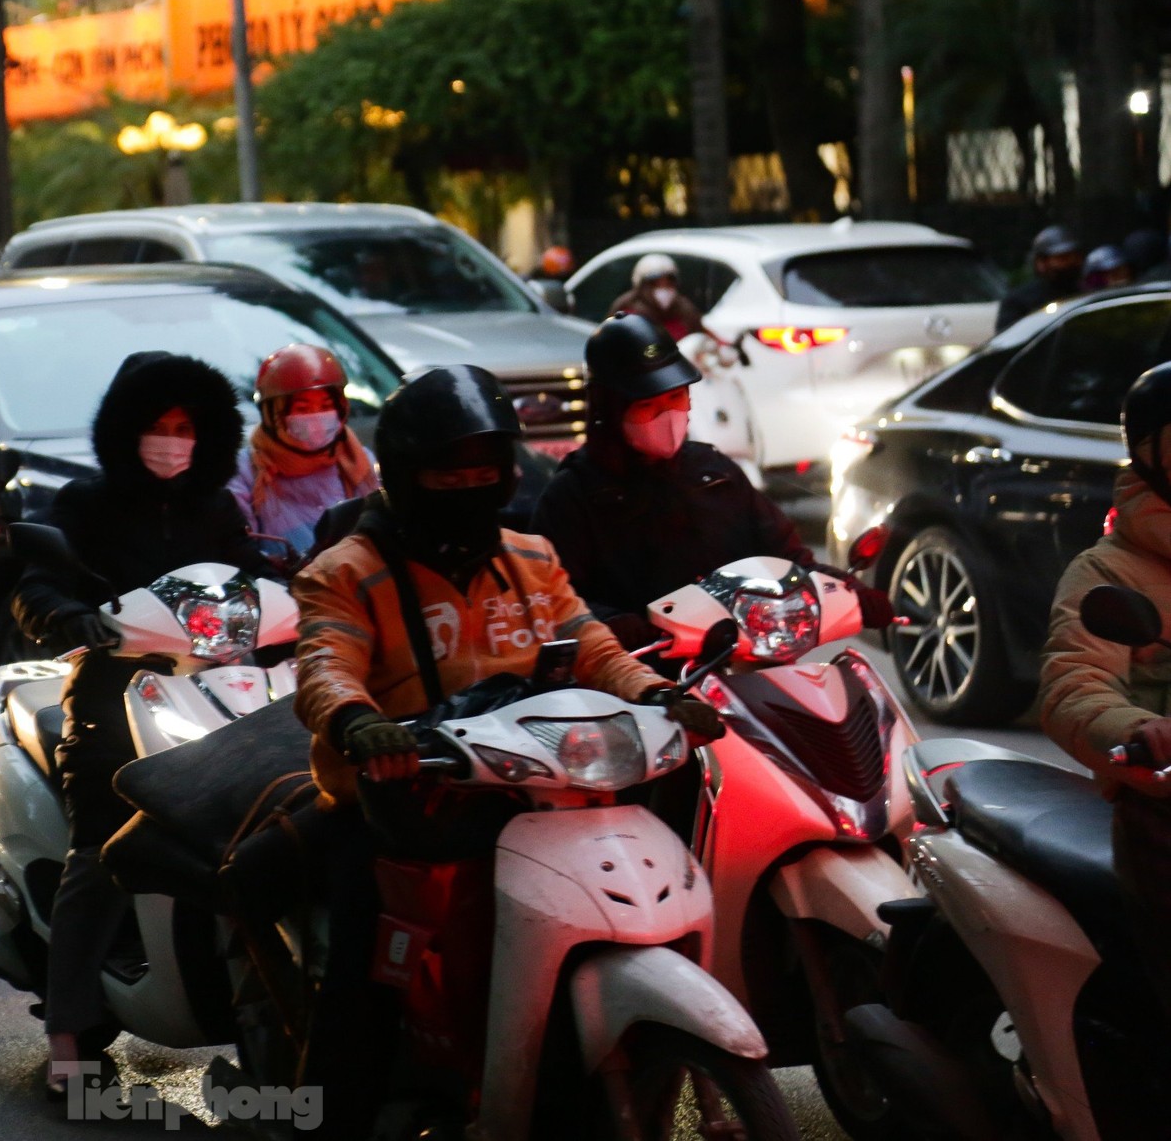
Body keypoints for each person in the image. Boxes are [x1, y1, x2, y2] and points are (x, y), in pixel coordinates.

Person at [289, 365, 719, 1136]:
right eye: (448, 474)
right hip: (403, 805)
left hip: (538, 791)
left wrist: (658, 694)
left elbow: (591, 644)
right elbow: (325, 666)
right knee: (362, 983)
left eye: (483, 472)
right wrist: (360, 723)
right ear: (408, 475)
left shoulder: (530, 556)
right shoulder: (344, 571)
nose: (468, 487)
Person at [11, 351, 268, 1100]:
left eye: (186, 428)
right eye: (159, 426)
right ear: (127, 429)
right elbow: (35, 586)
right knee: (101, 850)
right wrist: (68, 615)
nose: (172, 441)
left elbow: (253, 579)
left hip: (215, 695)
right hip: (110, 697)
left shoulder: (218, 510)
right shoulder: (84, 504)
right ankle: (67, 1030)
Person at [532, 313, 892, 646]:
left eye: (676, 397)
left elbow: (789, 560)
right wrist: (625, 626)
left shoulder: (715, 473)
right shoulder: (572, 496)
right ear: (609, 410)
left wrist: (847, 588)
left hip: (736, 661)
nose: (668, 415)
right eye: (648, 406)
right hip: (635, 678)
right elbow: (555, 603)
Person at [1039, 361, 1171, 1014]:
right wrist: (1139, 730)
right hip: (1161, 816)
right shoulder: (1108, 571)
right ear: (1153, 453)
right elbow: (1074, 684)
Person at [227, 344, 378, 558]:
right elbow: (241, 551)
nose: (316, 418)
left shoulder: (359, 461)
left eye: (326, 406)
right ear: (273, 414)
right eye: (302, 408)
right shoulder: (245, 473)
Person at [996, 224, 1085, 332]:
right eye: (1063, 258)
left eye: (1076, 257)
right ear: (1042, 263)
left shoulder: (1086, 293)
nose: (1072, 262)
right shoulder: (1019, 302)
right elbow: (1010, 338)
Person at [608, 253, 704, 341]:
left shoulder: (687, 313)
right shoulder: (627, 317)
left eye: (668, 285)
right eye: (656, 285)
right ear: (642, 287)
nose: (664, 290)